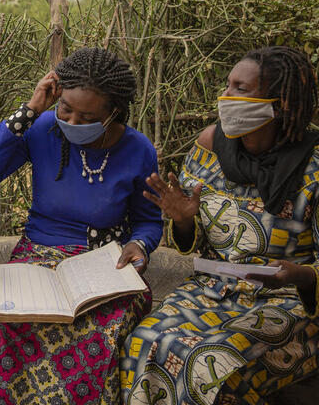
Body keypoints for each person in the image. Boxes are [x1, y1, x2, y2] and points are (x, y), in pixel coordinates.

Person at [121, 46, 319, 405]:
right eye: (227, 85)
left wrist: (298, 275)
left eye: (241, 89)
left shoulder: (314, 166)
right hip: (213, 288)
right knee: (147, 338)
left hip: (289, 303)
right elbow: (191, 243)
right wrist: (183, 219)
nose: (226, 97)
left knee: (208, 361)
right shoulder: (210, 145)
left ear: (281, 104)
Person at [0, 46, 163, 405]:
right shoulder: (42, 128)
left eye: (86, 117)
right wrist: (31, 110)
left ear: (113, 113)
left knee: (103, 332)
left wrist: (141, 246)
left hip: (105, 265)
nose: (71, 123)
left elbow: (149, 221)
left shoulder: (139, 150)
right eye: (65, 110)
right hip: (36, 255)